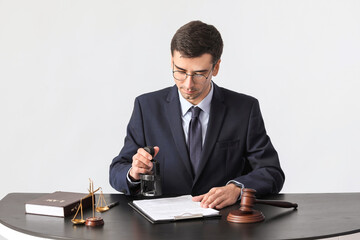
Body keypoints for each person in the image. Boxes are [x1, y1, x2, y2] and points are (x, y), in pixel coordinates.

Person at [109, 20, 284, 209]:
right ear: (171, 61)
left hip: (225, 226)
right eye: (181, 71)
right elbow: (117, 170)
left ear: (215, 68)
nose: (188, 84)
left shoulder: (245, 109)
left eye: (199, 73)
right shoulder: (146, 107)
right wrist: (133, 173)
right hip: (162, 228)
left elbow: (271, 171)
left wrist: (237, 189)